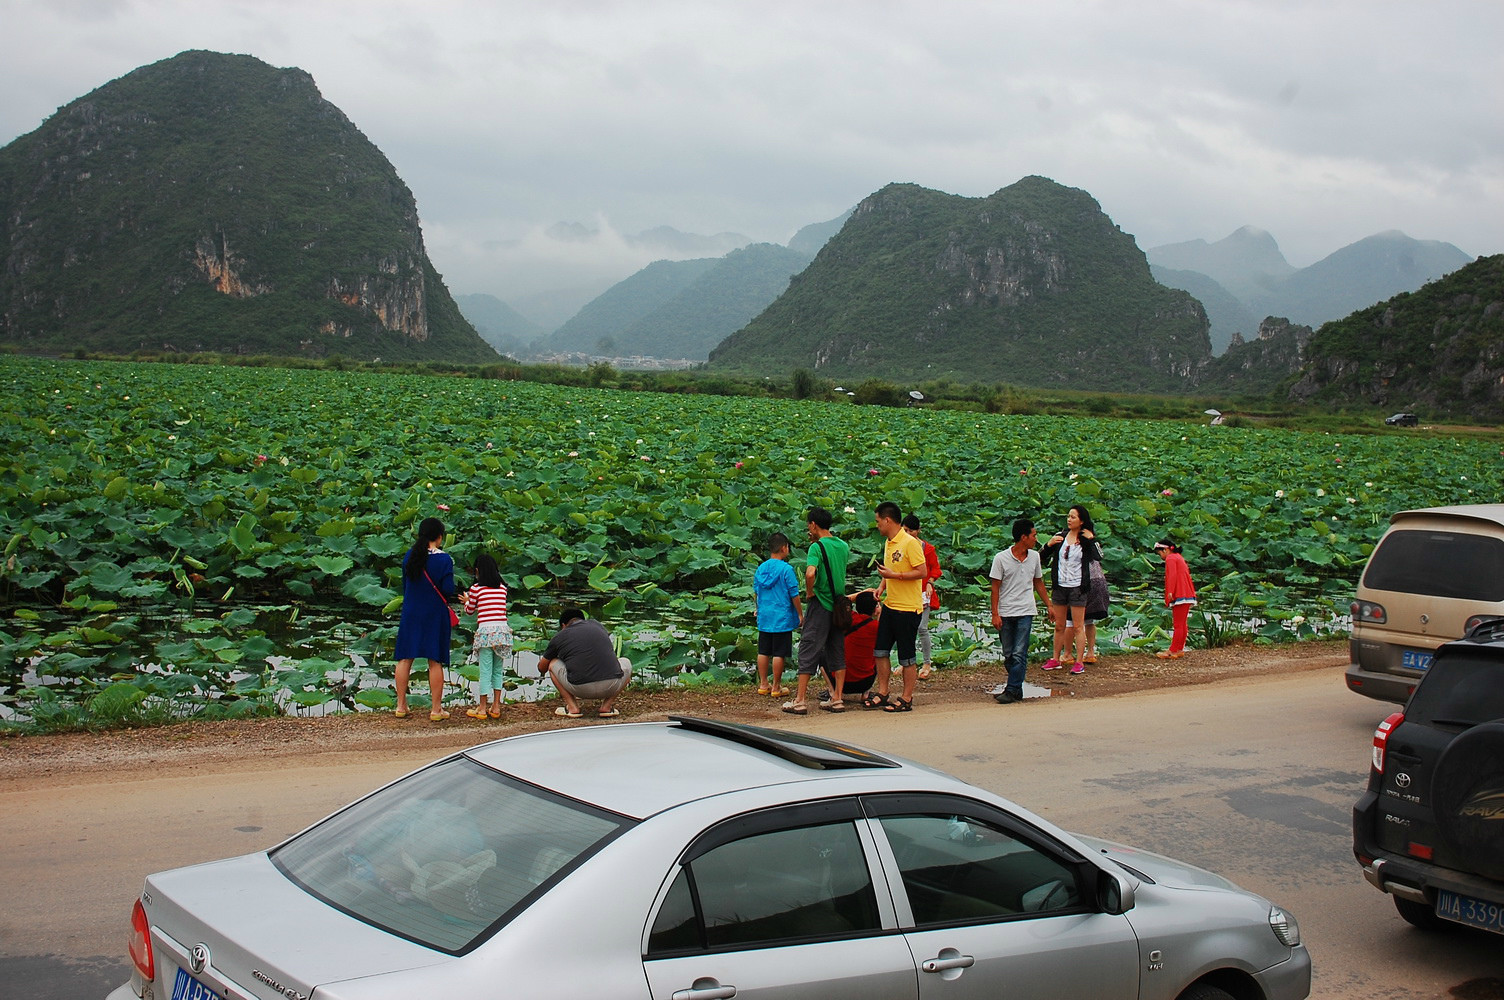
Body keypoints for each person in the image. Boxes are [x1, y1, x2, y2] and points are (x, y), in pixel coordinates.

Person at [865, 501, 928, 713]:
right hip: (890, 605)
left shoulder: (910, 543)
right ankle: (883, 692)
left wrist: (896, 576)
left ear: (887, 520)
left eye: (877, 521)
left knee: (906, 656)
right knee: (880, 650)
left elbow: (922, 572)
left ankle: (906, 697)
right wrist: (882, 586)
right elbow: (889, 569)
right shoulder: (889, 542)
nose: (877, 525)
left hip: (908, 608)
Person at [787, 507, 848, 715]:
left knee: (808, 648)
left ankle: (800, 700)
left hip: (820, 603)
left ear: (813, 525)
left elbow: (810, 573)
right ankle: (837, 698)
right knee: (837, 649)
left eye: (808, 525)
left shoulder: (816, 547)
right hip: (839, 607)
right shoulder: (843, 546)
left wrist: (810, 592)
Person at [393, 516, 455, 721]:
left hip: (411, 611)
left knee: (405, 658)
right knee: (434, 660)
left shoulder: (410, 556)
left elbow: (406, 585)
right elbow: (447, 590)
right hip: (434, 613)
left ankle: (401, 705)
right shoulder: (444, 559)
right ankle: (436, 709)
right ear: (439, 536)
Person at [988, 518, 1053, 704]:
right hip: (1006, 611)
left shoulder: (1034, 557)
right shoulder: (1001, 559)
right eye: (1033, 535)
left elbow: (1038, 582)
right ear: (1023, 537)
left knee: (1019, 652)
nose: (1036, 539)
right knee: (1009, 653)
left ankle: (1012, 688)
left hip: (1026, 610)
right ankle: (1016, 688)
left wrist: (1048, 604)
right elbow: (995, 588)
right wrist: (995, 613)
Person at [537, 608, 632, 718]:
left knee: (552, 663)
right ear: (583, 619)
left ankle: (572, 708)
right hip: (611, 686)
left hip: (580, 689)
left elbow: (542, 668)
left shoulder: (560, 636)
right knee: (626, 662)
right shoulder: (598, 626)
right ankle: (606, 706)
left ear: (563, 625)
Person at [1041, 505, 1102, 676]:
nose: (1069, 520)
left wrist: (1091, 540)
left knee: (1078, 626)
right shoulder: (1060, 537)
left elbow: (1099, 557)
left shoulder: (1086, 539)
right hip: (1060, 587)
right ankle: (1055, 659)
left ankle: (1079, 661)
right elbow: (1040, 556)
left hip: (1078, 587)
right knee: (1059, 625)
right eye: (1068, 516)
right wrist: (1048, 544)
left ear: (1082, 521)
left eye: (1073, 517)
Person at [462, 553, 512, 719]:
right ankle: (496, 706)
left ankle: (482, 708)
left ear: (477, 571)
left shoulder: (476, 589)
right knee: (498, 670)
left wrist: (467, 601)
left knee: (485, 671)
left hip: (486, 633)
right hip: (502, 632)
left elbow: (470, 611)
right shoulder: (503, 588)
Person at [752, 532, 802, 697]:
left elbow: (756, 592)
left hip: (765, 616)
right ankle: (776, 687)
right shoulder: (786, 570)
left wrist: (757, 608)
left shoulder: (761, 568)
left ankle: (763, 684)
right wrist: (800, 614)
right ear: (784, 548)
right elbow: (794, 594)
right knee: (779, 652)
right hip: (781, 617)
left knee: (763, 651)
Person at [819, 590, 880, 712]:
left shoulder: (849, 618)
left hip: (840, 682)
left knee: (821, 654)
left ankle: (833, 692)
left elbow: (839, 603)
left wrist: (858, 595)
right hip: (865, 682)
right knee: (880, 655)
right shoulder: (877, 627)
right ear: (874, 609)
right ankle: (865, 694)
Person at [902, 513, 943, 679]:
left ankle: (927, 663)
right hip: (906, 592)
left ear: (918, 531)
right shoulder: (901, 547)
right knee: (904, 628)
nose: (907, 533)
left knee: (922, 628)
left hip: (923, 593)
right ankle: (905, 662)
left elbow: (935, 569)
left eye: (911, 530)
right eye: (905, 530)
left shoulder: (928, 549)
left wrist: (930, 582)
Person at [1154, 540, 1198, 659]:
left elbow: (1172, 575)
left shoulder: (1171, 559)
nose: (1161, 557)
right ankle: (1179, 648)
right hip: (1187, 592)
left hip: (1179, 593)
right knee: (1182, 624)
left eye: (1160, 553)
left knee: (1178, 624)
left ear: (1165, 550)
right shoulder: (1178, 557)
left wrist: (1170, 592)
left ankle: (1172, 650)